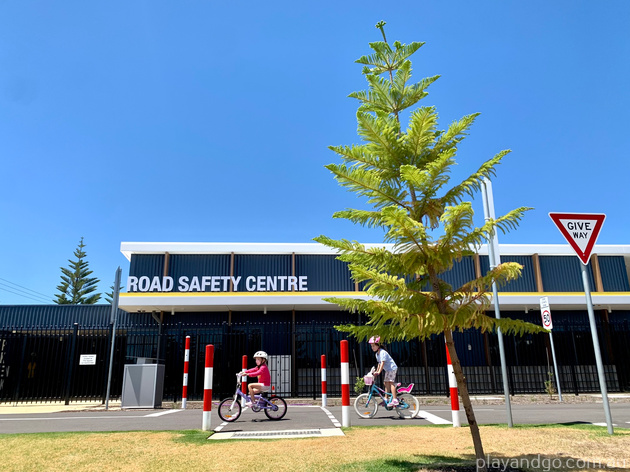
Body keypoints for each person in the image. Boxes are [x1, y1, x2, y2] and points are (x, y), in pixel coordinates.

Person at [369, 336, 399, 406]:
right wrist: (376, 371)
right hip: (388, 370)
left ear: (378, 345)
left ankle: (395, 399)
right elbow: (379, 364)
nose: (372, 347)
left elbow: (382, 363)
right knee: (386, 383)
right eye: (371, 346)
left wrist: (379, 372)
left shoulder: (382, 352)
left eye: (373, 346)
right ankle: (386, 399)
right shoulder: (377, 354)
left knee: (391, 383)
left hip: (392, 368)